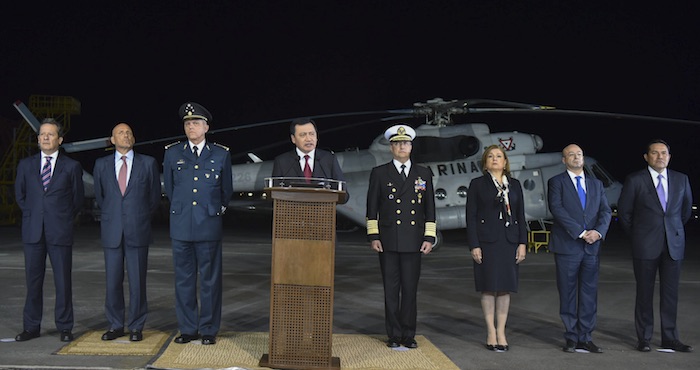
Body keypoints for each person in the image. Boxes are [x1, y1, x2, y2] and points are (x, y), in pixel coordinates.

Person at [163, 102, 233, 345]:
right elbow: (171, 190)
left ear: (206, 127)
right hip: (181, 227)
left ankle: (209, 329)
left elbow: (226, 191)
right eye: (187, 123)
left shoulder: (221, 153)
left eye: (195, 123)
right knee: (183, 280)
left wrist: (213, 211)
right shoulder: (172, 153)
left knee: (210, 282)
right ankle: (188, 329)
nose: (191, 127)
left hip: (208, 226)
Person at [617, 139, 694, 353]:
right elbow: (625, 214)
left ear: (669, 156)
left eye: (664, 153)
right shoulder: (635, 180)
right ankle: (644, 338)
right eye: (655, 153)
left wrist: (673, 231)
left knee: (670, 295)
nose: (660, 156)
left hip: (673, 245)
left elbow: (685, 212)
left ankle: (670, 338)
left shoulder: (681, 179)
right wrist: (639, 236)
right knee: (644, 293)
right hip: (645, 246)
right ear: (646, 157)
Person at [14, 118, 85, 342]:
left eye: (50, 134)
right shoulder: (25, 165)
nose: (45, 137)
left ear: (60, 140)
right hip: (33, 232)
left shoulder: (71, 166)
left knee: (63, 282)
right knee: (33, 282)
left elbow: (77, 200)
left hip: (60, 231)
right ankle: (31, 326)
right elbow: (21, 196)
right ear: (38, 139)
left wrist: (60, 217)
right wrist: (35, 215)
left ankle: (65, 326)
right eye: (42, 134)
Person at [366, 124, 436, 349]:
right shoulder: (379, 173)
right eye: (397, 143)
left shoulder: (423, 173)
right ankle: (394, 334)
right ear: (391, 148)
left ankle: (408, 334)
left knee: (410, 290)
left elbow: (430, 208)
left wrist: (429, 237)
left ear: (411, 146)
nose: (401, 146)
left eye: (405, 143)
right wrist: (373, 236)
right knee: (390, 290)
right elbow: (371, 208)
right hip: (388, 240)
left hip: (414, 241)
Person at [93, 122, 161, 342]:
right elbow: (101, 197)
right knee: (112, 281)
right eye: (120, 133)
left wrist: (137, 216)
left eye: (129, 132)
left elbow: (153, 198)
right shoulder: (101, 165)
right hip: (112, 231)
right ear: (112, 140)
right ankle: (115, 325)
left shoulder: (148, 163)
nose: (126, 135)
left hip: (138, 230)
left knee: (137, 281)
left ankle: (136, 326)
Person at [547, 144, 612, 353]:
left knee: (589, 293)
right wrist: (582, 232)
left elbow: (605, 211)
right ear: (564, 160)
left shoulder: (596, 184)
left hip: (592, 248)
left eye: (579, 154)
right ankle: (571, 336)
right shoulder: (556, 182)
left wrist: (598, 232)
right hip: (568, 246)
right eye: (571, 155)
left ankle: (586, 336)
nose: (576, 157)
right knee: (567, 293)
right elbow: (557, 209)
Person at [466, 144, 527, 352]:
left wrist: (522, 243)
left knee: (504, 287)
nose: (494, 159)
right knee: (488, 286)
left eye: (499, 156)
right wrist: (474, 244)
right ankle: (490, 330)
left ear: (505, 161)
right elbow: (471, 217)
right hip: (487, 242)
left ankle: (501, 330)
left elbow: (521, 215)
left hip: (509, 241)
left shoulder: (515, 185)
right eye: (490, 156)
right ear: (485, 162)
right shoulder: (477, 184)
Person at [271, 117, 348, 203]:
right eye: (303, 135)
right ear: (293, 139)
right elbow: (273, 196)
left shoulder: (329, 159)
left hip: (323, 214)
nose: (308, 139)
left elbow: (344, 195)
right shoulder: (282, 162)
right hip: (292, 214)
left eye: (312, 134)